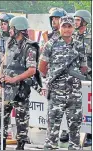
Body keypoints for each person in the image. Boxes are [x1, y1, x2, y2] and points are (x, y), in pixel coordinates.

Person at [39, 16, 88, 150]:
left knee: (75, 130)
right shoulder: (51, 44)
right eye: (64, 26)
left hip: (74, 94)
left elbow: (84, 67)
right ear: (59, 28)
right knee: (52, 131)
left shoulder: (79, 45)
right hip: (56, 94)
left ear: (73, 28)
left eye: (69, 27)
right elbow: (42, 67)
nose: (66, 30)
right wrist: (52, 78)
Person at [0, 16, 38, 150]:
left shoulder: (30, 46)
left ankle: (20, 146)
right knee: (1, 117)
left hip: (20, 89)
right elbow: (4, 62)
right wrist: (1, 77)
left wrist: (14, 79)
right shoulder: (9, 43)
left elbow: (31, 70)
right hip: (6, 89)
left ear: (17, 29)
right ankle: (1, 143)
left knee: (21, 120)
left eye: (12, 28)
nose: (10, 31)